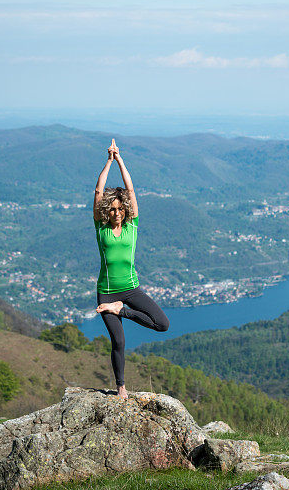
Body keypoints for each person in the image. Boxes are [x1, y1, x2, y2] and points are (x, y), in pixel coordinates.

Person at [93, 138, 170, 399]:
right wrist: (108, 162)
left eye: (119, 209)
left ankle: (122, 312)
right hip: (106, 291)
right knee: (119, 341)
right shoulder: (101, 228)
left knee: (162, 324)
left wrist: (121, 161)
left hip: (131, 291)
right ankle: (121, 387)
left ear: (125, 210)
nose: (116, 212)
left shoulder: (132, 226)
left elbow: (132, 190)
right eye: (112, 209)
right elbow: (97, 191)